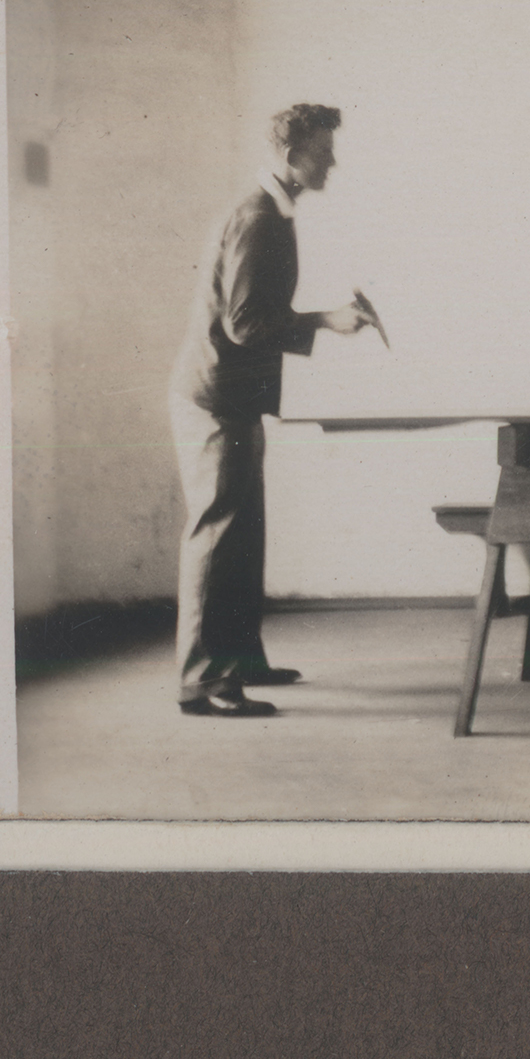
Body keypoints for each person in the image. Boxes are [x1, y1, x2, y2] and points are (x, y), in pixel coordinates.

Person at [169, 104, 372, 717]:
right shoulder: (258, 219)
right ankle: (205, 682)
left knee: (242, 532)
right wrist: (326, 321)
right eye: (323, 151)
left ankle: (242, 662)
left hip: (231, 400)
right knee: (218, 533)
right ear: (291, 157)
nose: (333, 160)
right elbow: (244, 323)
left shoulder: (271, 211)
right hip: (213, 401)